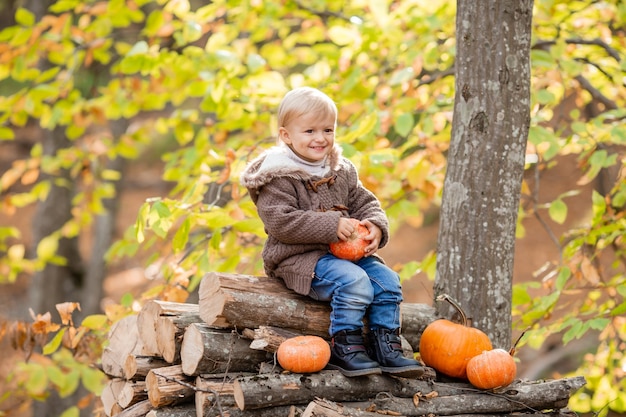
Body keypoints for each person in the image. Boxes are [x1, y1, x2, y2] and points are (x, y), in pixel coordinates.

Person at [240, 87, 423, 378]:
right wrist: (331, 226)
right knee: (353, 281)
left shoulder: (339, 168)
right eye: (309, 130)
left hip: (344, 254)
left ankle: (385, 345)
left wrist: (375, 225)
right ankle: (345, 346)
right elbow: (281, 222)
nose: (320, 138)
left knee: (387, 281)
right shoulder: (278, 176)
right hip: (299, 258)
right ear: (286, 135)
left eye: (328, 129)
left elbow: (365, 201)